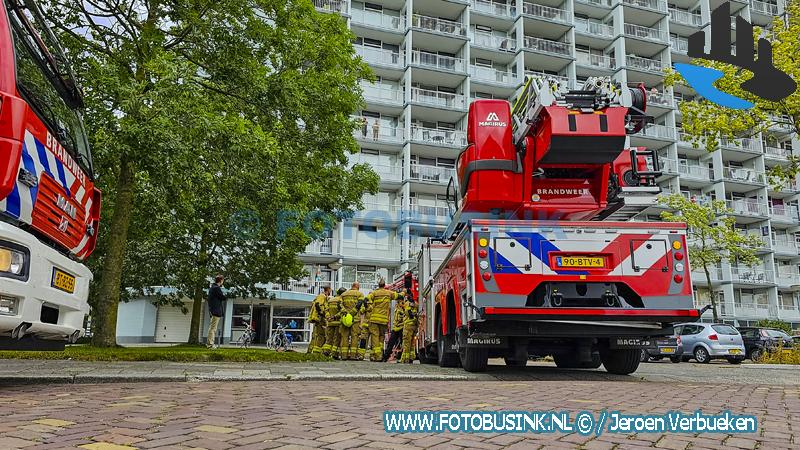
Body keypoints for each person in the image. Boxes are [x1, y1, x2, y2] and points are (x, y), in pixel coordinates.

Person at [365, 280, 399, 362]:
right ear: (384, 285)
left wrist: (367, 305)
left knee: (375, 337)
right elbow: (398, 296)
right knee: (381, 337)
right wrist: (404, 293)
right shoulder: (389, 293)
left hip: (374, 319)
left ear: (378, 285)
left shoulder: (374, 293)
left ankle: (377, 356)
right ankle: (377, 355)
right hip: (383, 320)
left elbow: (367, 299)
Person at [338, 283, 363, 360]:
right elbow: (359, 304)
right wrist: (352, 313)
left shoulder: (343, 294)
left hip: (345, 319)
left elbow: (339, 305)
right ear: (357, 287)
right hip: (355, 319)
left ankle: (344, 356)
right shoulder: (360, 294)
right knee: (354, 337)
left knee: (344, 337)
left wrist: (345, 312)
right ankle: (353, 355)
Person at [382, 292, 406, 362]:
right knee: (390, 343)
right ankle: (386, 357)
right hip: (396, 328)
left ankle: (402, 357)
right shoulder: (397, 306)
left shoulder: (403, 306)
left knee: (403, 344)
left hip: (401, 328)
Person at [322, 287, 344, 358]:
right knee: (336, 339)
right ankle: (334, 354)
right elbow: (342, 311)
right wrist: (335, 317)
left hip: (330, 322)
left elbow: (326, 310)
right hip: (337, 322)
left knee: (329, 339)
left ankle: (326, 352)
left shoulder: (330, 300)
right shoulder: (341, 300)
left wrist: (328, 317)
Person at [307, 286, 330, 354]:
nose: (330, 291)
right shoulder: (322, 296)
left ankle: (311, 350)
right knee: (321, 335)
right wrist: (322, 314)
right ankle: (316, 351)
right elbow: (318, 305)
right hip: (320, 318)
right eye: (330, 290)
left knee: (316, 334)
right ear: (328, 290)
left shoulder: (323, 296)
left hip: (319, 318)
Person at [207, 274, 226, 349]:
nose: (223, 282)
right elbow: (223, 297)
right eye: (222, 280)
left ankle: (210, 343)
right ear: (221, 280)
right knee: (213, 328)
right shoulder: (216, 288)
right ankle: (210, 344)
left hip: (213, 310)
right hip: (216, 311)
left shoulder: (212, 288)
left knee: (212, 327)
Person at [400, 295, 419, 364]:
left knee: (406, 343)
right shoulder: (416, 303)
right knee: (412, 343)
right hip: (414, 325)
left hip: (408, 325)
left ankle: (405, 359)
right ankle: (411, 357)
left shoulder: (407, 303)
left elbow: (408, 312)